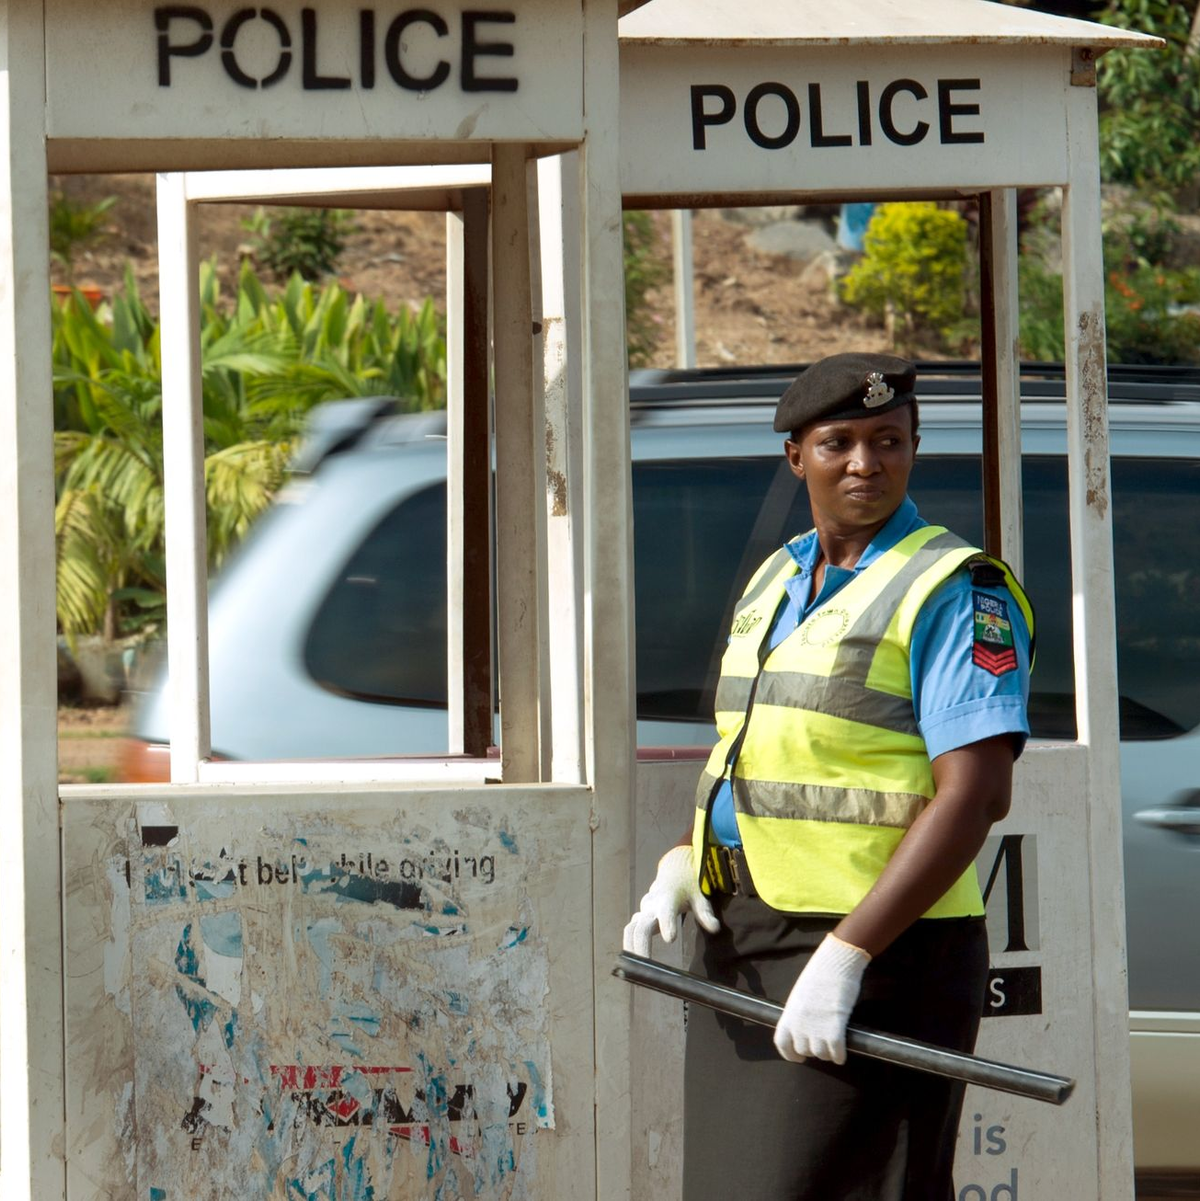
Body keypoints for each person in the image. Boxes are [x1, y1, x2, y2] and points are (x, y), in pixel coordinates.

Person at [623, 353, 1034, 1201]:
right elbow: (764, 751)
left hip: (880, 951)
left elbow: (977, 795)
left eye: (887, 440)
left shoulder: (956, 589)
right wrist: (687, 857)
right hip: (747, 939)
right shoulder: (779, 576)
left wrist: (849, 954)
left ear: (915, 446)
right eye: (837, 442)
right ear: (795, 457)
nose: (864, 462)